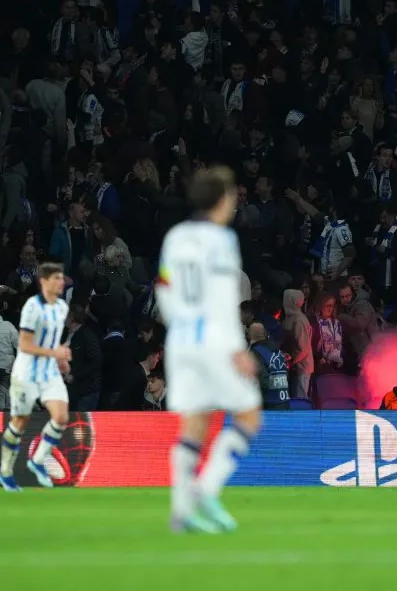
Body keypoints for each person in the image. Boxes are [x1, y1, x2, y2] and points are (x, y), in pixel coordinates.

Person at [156, 166, 261, 534]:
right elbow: (220, 297)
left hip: (180, 340)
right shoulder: (220, 240)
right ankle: (207, 487)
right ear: (221, 199)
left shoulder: (175, 236)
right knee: (249, 415)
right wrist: (236, 347)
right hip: (215, 338)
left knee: (194, 423)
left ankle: (180, 512)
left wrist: (179, 328)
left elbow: (163, 289)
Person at [0, 262, 72, 491]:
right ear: (44, 282)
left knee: (60, 417)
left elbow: (51, 341)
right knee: (19, 423)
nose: (62, 282)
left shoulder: (61, 307)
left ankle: (37, 460)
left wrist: (59, 360)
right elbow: (25, 344)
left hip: (48, 370)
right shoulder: (32, 307)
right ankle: (5, 471)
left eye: (62, 278)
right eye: (56, 278)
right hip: (26, 371)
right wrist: (55, 353)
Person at [248, 322, 289, 410]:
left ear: (250, 335)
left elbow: (263, 380)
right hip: (284, 401)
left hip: (269, 404)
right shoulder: (278, 351)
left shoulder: (256, 352)